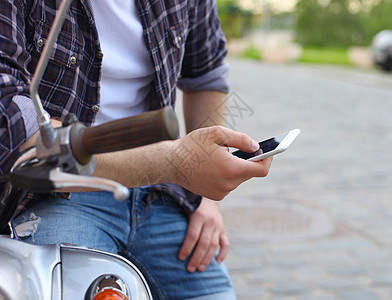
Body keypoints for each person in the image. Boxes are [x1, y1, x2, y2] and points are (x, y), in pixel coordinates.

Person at [0, 0, 272, 299]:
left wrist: (206, 200)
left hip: (160, 193)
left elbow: (206, 72)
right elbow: (14, 132)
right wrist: (177, 163)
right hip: (59, 194)